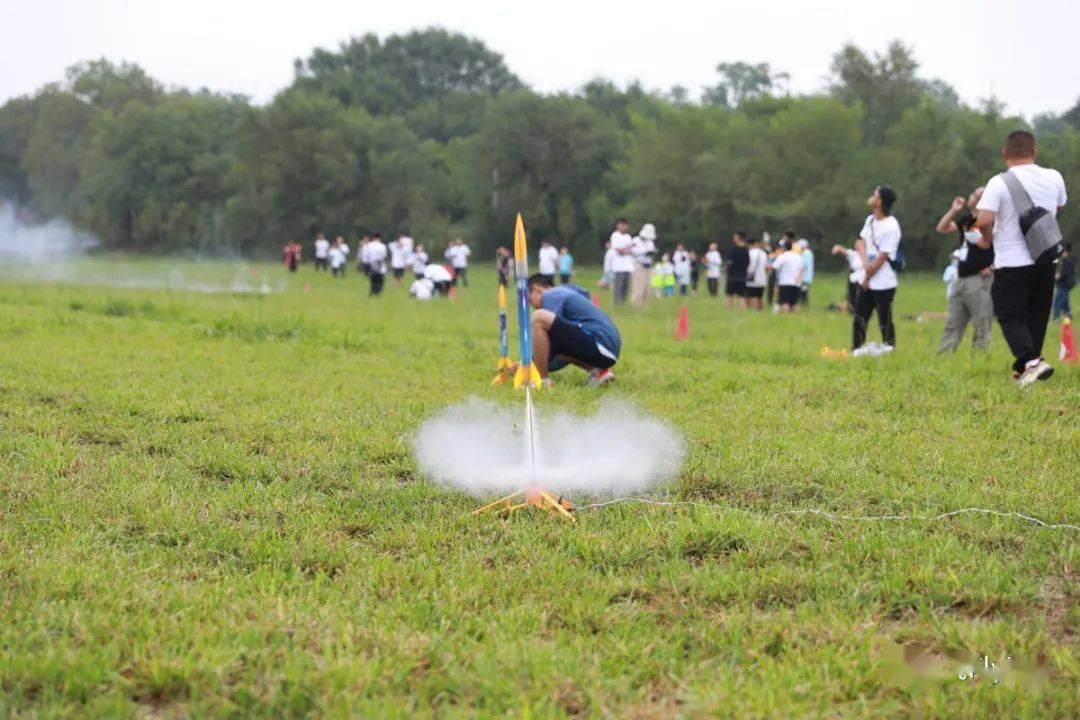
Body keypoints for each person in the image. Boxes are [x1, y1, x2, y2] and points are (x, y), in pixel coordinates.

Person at [975, 130, 1067, 384]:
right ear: (1034, 152)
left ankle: (1031, 361)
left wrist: (989, 238)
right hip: (1046, 259)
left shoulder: (999, 182)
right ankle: (1026, 370)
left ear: (1005, 153)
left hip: (1012, 261)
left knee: (1009, 314)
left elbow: (983, 219)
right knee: (1036, 315)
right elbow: (1059, 206)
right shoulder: (1054, 177)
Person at [528, 275, 620, 387]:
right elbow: (556, 353)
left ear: (537, 288)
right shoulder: (567, 292)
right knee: (558, 343)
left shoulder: (551, 295)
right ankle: (599, 373)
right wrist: (531, 365)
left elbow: (549, 343)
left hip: (600, 342)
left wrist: (529, 365)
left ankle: (541, 380)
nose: (531, 304)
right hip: (609, 348)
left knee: (539, 317)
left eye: (529, 299)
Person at [934, 189, 995, 353]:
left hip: (979, 280)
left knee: (981, 322)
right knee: (953, 322)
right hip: (961, 278)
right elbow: (942, 227)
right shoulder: (966, 221)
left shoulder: (992, 223)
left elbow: (1004, 248)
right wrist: (954, 210)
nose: (971, 197)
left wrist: (992, 267)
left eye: (975, 195)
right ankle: (943, 357)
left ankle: (978, 361)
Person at [853, 186, 901, 350]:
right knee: (860, 317)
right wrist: (865, 262)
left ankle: (889, 348)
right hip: (866, 275)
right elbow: (860, 242)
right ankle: (856, 349)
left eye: (874, 195)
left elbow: (883, 257)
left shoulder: (891, 226)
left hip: (883, 282)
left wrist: (867, 276)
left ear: (880, 201)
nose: (871, 197)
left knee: (884, 319)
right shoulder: (870, 220)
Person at [772, 239, 803, 313]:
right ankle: (796, 319)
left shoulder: (782, 256)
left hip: (785, 283)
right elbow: (802, 269)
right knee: (794, 303)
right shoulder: (798, 256)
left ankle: (785, 318)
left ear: (783, 248)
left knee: (785, 302)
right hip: (796, 283)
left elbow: (774, 267)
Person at [831, 243, 864, 314]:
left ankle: (860, 310)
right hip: (853, 277)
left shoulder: (867, 255)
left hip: (862, 277)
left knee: (861, 295)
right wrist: (837, 247)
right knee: (852, 295)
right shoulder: (854, 254)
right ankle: (852, 310)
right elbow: (843, 250)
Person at [631, 223, 658, 307]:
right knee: (638, 288)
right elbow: (632, 252)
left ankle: (645, 306)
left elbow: (652, 251)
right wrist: (644, 253)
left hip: (648, 267)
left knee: (647, 289)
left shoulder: (650, 242)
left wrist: (652, 253)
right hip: (639, 266)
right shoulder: (635, 241)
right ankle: (636, 306)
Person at [609, 219, 634, 305]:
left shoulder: (628, 237)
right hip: (618, 267)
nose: (622, 227)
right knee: (618, 286)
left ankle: (623, 302)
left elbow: (632, 249)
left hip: (628, 266)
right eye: (621, 225)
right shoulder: (615, 235)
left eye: (624, 225)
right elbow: (618, 250)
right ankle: (617, 302)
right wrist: (626, 250)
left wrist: (626, 250)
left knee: (625, 287)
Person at [725, 231, 750, 309]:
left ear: (738, 238)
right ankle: (743, 311)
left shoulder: (733, 250)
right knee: (741, 296)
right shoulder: (746, 250)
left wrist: (726, 269)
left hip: (732, 276)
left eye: (735, 237)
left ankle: (728, 310)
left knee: (729, 295)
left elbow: (729, 263)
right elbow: (748, 262)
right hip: (742, 276)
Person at [745, 236, 768, 310]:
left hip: (752, 279)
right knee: (759, 297)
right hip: (762, 279)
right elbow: (766, 267)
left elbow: (748, 266)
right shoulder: (763, 253)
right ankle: (760, 311)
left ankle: (755, 312)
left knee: (753, 296)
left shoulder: (750, 253)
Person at [1053, 244, 1074, 320]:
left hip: (1064, 285)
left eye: (1063, 251)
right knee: (1064, 303)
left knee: (1057, 303)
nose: (1061, 253)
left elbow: (1066, 273)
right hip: (1062, 285)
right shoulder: (1064, 260)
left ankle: (1056, 318)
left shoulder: (1068, 261)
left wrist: (1058, 276)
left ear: (1067, 252)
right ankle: (1069, 316)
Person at [798, 239, 814, 306]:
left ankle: (804, 304)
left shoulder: (805, 253)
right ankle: (804, 304)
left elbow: (803, 265)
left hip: (804, 277)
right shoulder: (809, 253)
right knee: (804, 291)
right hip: (807, 277)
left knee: (803, 292)